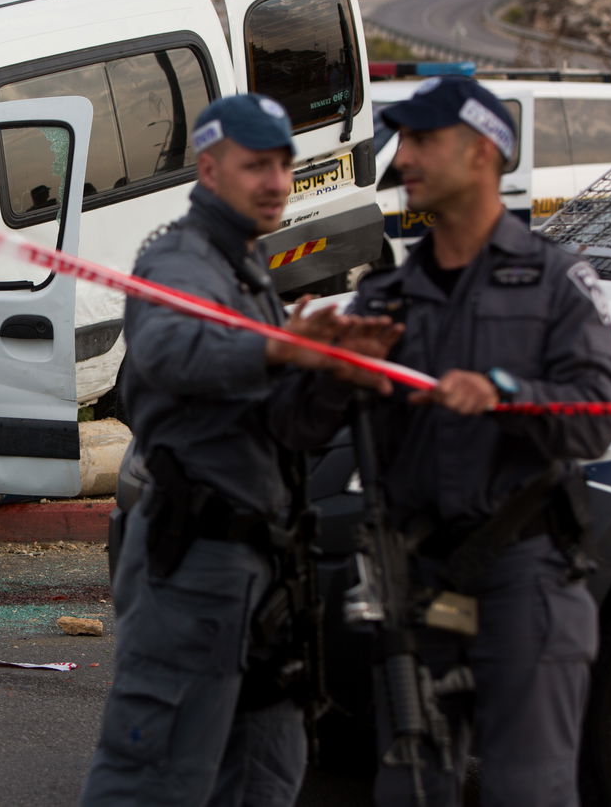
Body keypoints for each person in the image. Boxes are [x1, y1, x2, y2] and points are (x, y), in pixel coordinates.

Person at [276, 75, 611, 806]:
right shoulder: (385, 297)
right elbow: (300, 429)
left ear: (483, 154)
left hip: (525, 576)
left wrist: (506, 395)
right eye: (401, 140)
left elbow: (596, 418)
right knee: (411, 789)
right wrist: (332, 370)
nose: (403, 158)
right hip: (417, 580)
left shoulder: (557, 282)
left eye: (423, 140)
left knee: (526, 789)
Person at [80, 94, 399, 806]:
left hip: (267, 574)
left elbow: (283, 426)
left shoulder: (247, 270)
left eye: (285, 163)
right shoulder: (179, 261)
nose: (278, 181)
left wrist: (335, 376)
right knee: (154, 778)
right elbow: (174, 352)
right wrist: (286, 345)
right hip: (195, 565)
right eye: (257, 165)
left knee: (265, 774)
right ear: (210, 169)